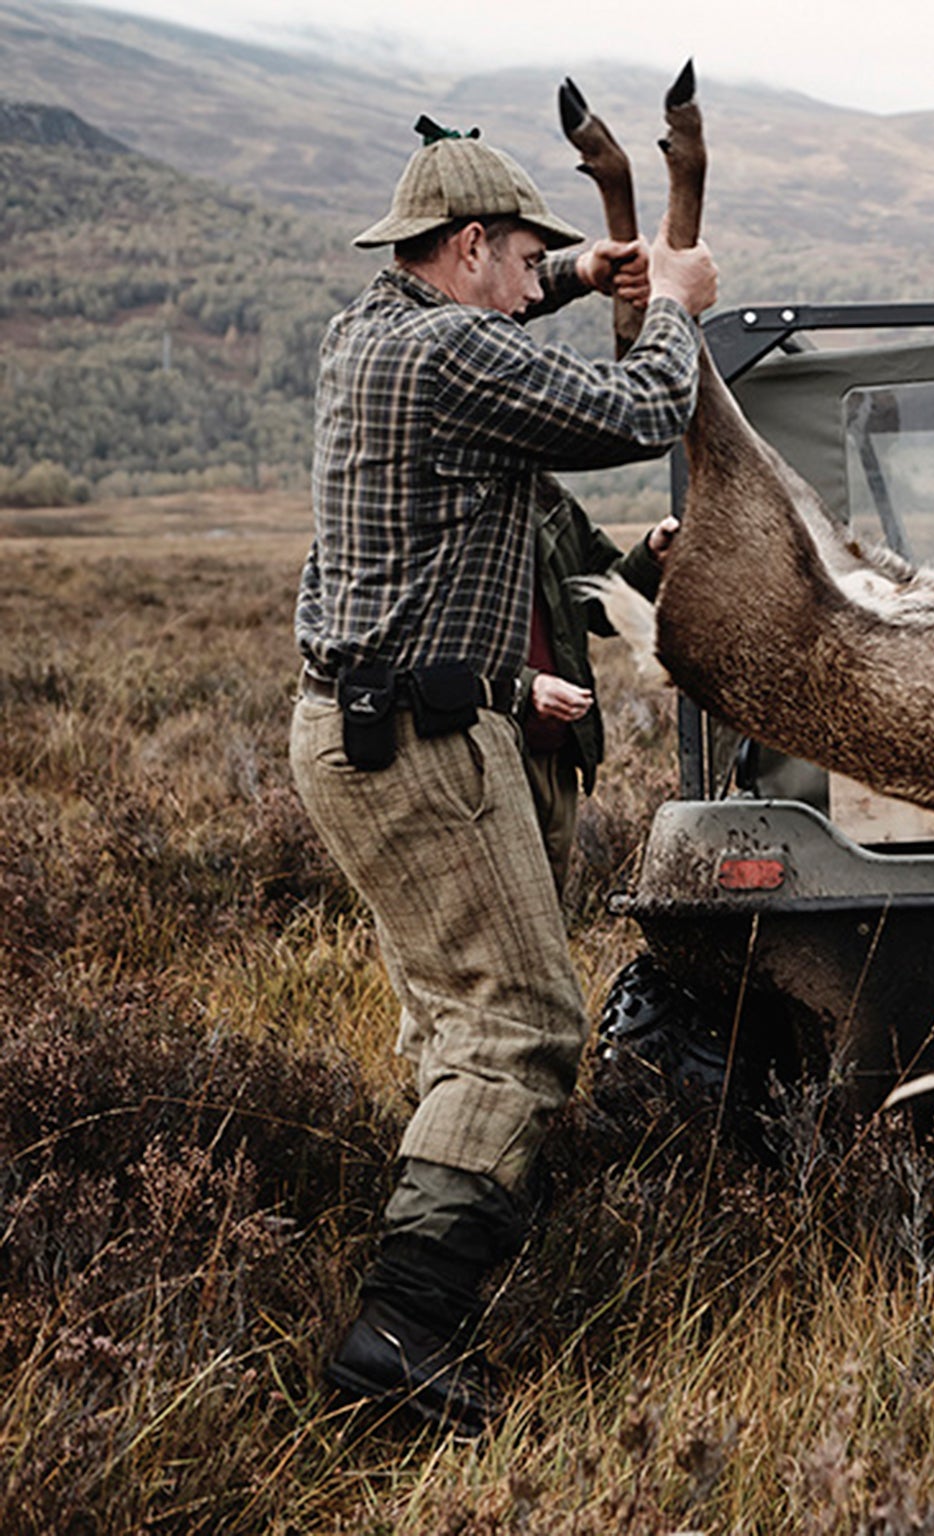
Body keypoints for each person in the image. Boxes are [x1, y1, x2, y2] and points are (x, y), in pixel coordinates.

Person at [289, 115, 717, 1432]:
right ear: (468, 246)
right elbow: (645, 407)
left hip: (386, 730)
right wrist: (679, 309)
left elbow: (497, 330)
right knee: (521, 1025)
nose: (539, 280)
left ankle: (431, 1288)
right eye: (525, 257)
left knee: (456, 1029)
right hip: (419, 737)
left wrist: (587, 272)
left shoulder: (373, 330)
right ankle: (401, 1335)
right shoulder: (439, 354)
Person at [518, 489, 675, 900]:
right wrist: (525, 687)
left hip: (555, 748)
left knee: (545, 904)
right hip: (487, 748)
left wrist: (650, 556)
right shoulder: (455, 508)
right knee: (502, 912)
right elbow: (432, 640)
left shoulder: (552, 502)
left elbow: (601, 602)